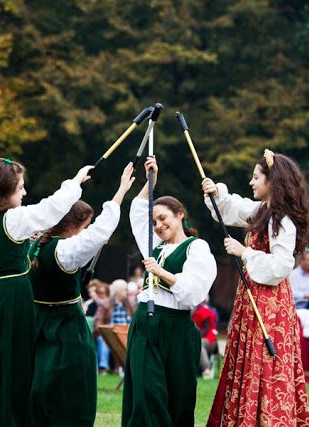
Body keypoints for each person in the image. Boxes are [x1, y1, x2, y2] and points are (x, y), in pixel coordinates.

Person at [0, 158, 93, 426]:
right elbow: (51, 209)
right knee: (13, 365)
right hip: (12, 297)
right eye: (20, 188)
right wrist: (75, 182)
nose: (25, 193)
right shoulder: (14, 219)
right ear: (6, 190)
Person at [202, 150, 309, 425]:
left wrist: (245, 253)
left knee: (264, 363)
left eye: (256, 177)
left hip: (269, 304)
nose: (251, 182)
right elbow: (234, 209)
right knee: (248, 361)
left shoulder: (282, 220)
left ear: (273, 181)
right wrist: (216, 193)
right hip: (252, 299)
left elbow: (282, 265)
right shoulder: (263, 212)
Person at [29, 162, 135, 426]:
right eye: (84, 226)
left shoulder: (32, 245)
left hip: (37, 323)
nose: (86, 231)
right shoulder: (65, 251)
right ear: (74, 227)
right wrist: (121, 190)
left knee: (39, 383)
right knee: (72, 389)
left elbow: (95, 235)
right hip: (65, 327)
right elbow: (100, 232)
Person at [123, 157, 217, 426]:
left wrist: (161, 272)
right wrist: (150, 182)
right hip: (146, 324)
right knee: (146, 394)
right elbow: (137, 211)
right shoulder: (154, 245)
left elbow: (194, 294)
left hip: (178, 329)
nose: (157, 226)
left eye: (163, 218)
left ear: (180, 214)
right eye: (154, 222)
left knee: (178, 400)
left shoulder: (196, 248)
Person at [93, 278, 137, 375]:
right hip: (110, 333)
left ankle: (125, 367)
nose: (127, 292)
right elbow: (97, 322)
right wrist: (106, 330)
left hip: (126, 333)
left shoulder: (131, 304)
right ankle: (102, 368)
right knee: (103, 339)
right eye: (125, 289)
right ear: (117, 292)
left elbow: (136, 321)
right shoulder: (105, 303)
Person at [192, 296, 218, 380]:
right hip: (198, 337)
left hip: (210, 339)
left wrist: (195, 337)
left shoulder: (204, 311)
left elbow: (206, 329)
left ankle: (206, 369)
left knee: (200, 343)